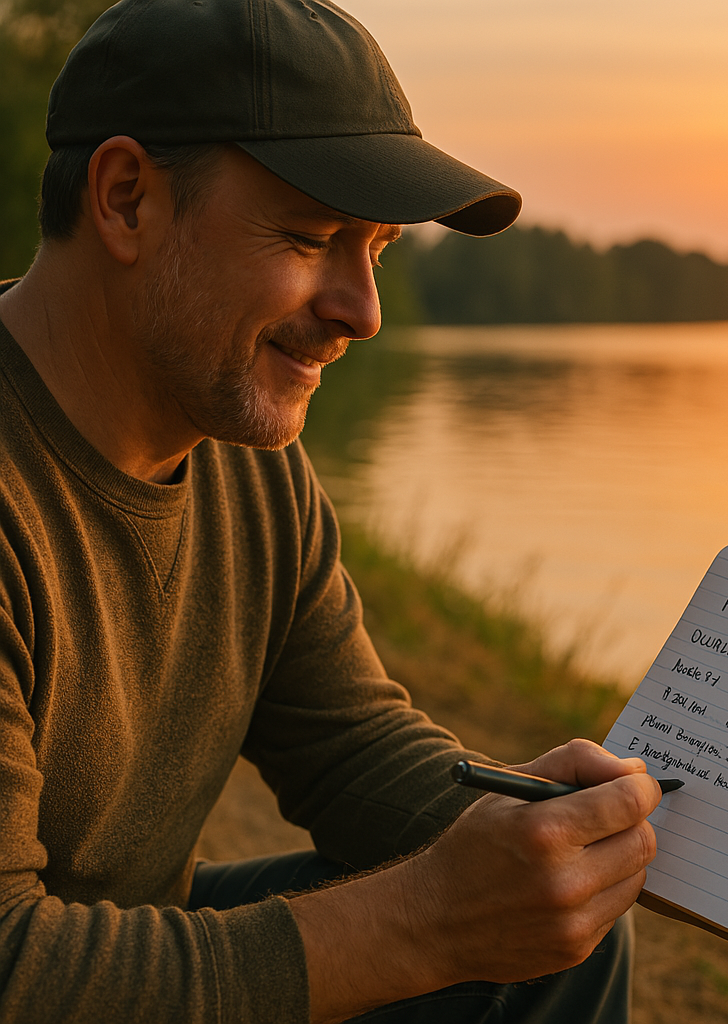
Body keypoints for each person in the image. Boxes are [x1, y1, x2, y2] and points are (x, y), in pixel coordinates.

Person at [0, 1, 665, 1022]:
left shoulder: (240, 454)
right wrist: (427, 919)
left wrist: (533, 825)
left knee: (549, 934)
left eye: (380, 249)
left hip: (110, 934)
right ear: (127, 199)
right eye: (313, 237)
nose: (362, 309)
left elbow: (347, 740)